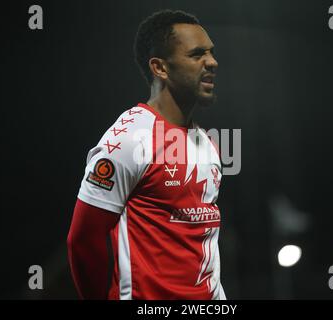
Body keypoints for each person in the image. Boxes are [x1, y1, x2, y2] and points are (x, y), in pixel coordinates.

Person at [67, 9, 225, 300]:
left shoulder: (207, 142)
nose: (212, 62)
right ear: (160, 68)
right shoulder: (128, 139)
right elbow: (83, 240)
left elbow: (201, 240)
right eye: (197, 54)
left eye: (212, 53)